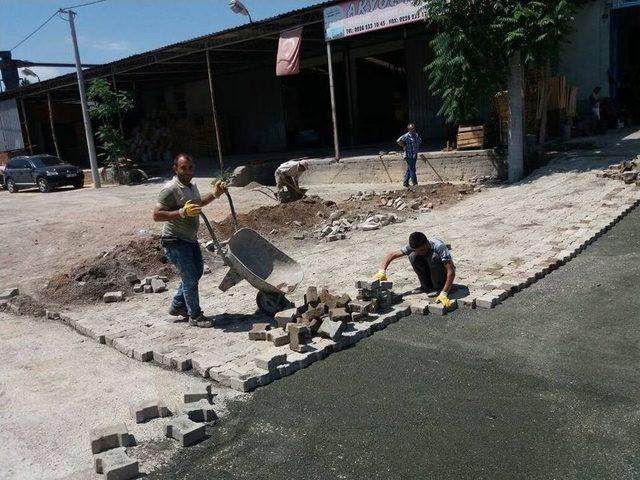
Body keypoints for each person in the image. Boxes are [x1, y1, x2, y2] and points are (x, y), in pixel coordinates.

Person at [153, 153, 228, 326]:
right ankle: (195, 316)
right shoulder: (170, 189)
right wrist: (181, 212)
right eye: (183, 168)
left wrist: (215, 194)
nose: (188, 171)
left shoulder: (191, 186)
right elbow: (156, 215)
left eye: (190, 167)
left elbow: (197, 204)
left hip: (189, 239)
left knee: (196, 273)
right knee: (189, 279)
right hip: (174, 240)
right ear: (176, 169)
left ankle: (178, 305)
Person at [374, 232, 456, 308]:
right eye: (418, 250)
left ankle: (440, 287)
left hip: (442, 271)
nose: (420, 252)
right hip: (429, 266)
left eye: (422, 250)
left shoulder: (439, 246)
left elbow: (451, 271)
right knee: (413, 256)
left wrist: (444, 293)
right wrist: (382, 271)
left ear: (427, 242)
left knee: (433, 257)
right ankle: (426, 286)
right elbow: (392, 255)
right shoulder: (414, 247)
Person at [396, 123, 422, 188]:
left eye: (413, 128)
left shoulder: (416, 135)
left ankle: (405, 183)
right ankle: (415, 184)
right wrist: (404, 145)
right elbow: (398, 141)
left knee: (409, 169)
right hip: (409, 155)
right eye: (411, 129)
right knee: (413, 170)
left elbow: (420, 141)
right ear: (409, 129)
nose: (412, 130)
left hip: (414, 154)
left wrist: (416, 145)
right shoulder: (406, 136)